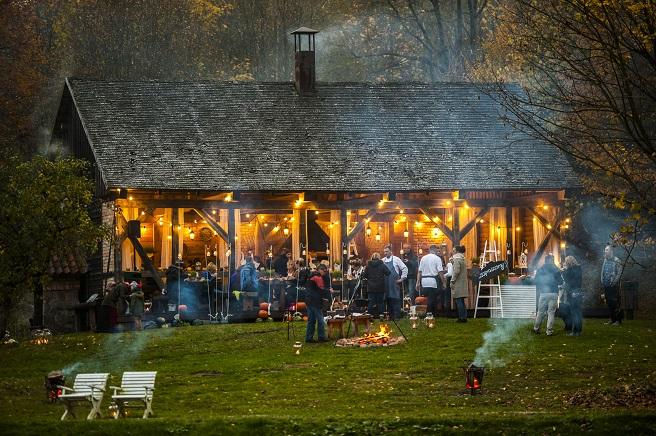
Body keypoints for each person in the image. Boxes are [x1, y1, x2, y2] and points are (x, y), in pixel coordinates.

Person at [533, 255, 564, 336]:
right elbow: (561, 282)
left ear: (545, 260)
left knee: (540, 312)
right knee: (551, 313)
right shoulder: (556, 269)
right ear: (552, 260)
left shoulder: (540, 269)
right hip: (553, 293)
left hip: (543, 293)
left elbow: (536, 280)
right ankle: (549, 331)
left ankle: (536, 328)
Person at [416, 245, 445, 317]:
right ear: (435, 250)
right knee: (433, 298)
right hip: (433, 281)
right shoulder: (437, 258)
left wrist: (417, 282)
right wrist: (444, 282)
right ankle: (430, 314)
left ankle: (431, 314)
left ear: (429, 250)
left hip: (424, 281)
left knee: (429, 298)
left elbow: (419, 272)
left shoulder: (423, 258)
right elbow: (440, 272)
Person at [382, 245, 408, 320]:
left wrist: (402, 278)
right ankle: (390, 317)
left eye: (387, 251)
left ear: (391, 251)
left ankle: (397, 316)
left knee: (395, 299)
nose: (385, 253)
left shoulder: (396, 259)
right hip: (386, 284)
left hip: (394, 283)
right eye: (384, 252)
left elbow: (404, 268)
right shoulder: (382, 260)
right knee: (388, 300)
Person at [361, 252, 390, 318]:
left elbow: (364, 275)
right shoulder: (382, 265)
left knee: (371, 302)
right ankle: (382, 315)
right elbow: (388, 273)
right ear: (379, 258)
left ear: (372, 257)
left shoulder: (368, 265)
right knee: (381, 302)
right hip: (380, 286)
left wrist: (370, 278)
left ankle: (369, 316)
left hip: (371, 287)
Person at [304, 271, 329, 343]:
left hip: (308, 301)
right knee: (320, 320)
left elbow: (314, 290)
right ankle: (321, 337)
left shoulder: (309, 279)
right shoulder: (317, 278)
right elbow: (320, 289)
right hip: (315, 302)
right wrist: (328, 291)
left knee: (311, 321)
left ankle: (309, 338)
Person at [601, 245, 623, 326]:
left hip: (614, 286)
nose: (605, 251)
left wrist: (615, 282)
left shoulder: (617, 260)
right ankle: (612, 319)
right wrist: (602, 280)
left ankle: (618, 321)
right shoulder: (605, 260)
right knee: (609, 303)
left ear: (611, 251)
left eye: (606, 250)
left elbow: (619, 273)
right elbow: (602, 271)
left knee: (615, 303)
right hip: (606, 285)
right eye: (605, 250)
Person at [562, 255, 583, 336]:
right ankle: (578, 330)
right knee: (578, 312)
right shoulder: (578, 268)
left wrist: (563, 271)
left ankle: (575, 332)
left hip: (572, 292)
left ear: (568, 262)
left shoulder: (570, 270)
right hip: (578, 292)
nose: (565, 263)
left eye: (566, 262)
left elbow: (567, 280)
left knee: (574, 312)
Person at [450, 245, 468, 323]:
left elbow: (456, 271)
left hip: (458, 282)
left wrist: (452, 280)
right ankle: (464, 317)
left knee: (458, 300)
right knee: (461, 300)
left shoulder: (457, 259)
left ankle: (461, 318)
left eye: (453, 251)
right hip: (462, 281)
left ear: (457, 251)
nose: (452, 252)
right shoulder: (462, 258)